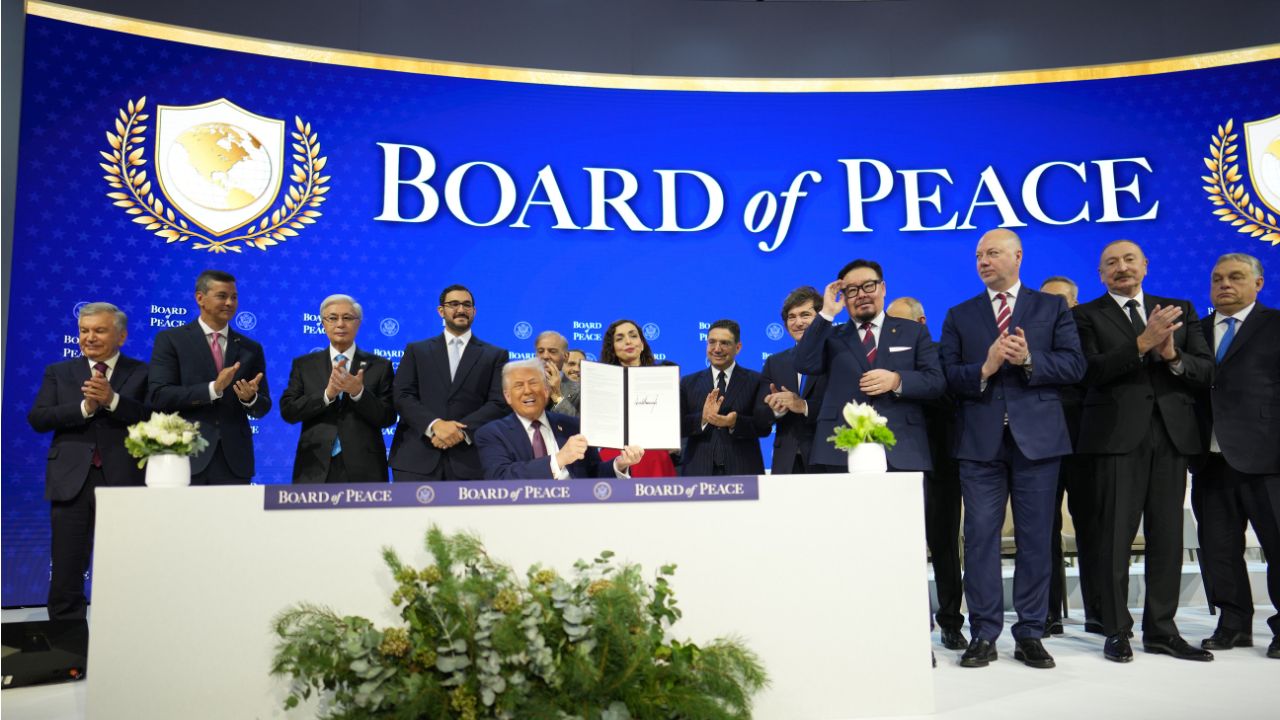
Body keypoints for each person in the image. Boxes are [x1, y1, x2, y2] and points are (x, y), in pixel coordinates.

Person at [939, 229, 1085, 669]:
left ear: (1018, 256)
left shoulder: (1051, 306)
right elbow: (947, 376)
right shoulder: (960, 314)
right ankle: (983, 632)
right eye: (979, 255)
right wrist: (984, 367)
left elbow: (1075, 365)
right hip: (980, 444)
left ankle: (1030, 633)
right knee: (980, 538)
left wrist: (1028, 360)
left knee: (1036, 540)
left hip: (1037, 443)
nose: (984, 261)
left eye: (993, 253)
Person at [1073, 239, 1213, 663]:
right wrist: (1140, 344)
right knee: (1114, 538)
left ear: (1145, 265)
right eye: (1110, 263)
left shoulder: (1179, 309)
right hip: (1115, 440)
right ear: (1100, 274)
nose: (1121, 268)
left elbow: (1205, 371)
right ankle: (1116, 629)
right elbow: (1086, 372)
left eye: (1129, 259)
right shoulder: (1084, 316)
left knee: (1168, 538)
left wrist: (1171, 354)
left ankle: (1162, 630)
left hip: (1171, 438)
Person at [27, 302, 149, 621]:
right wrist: (84, 408)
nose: (89, 337)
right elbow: (38, 418)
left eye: (99, 330)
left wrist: (113, 401)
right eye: (84, 331)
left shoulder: (143, 372)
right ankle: (69, 653)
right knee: (67, 569)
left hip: (124, 480)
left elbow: (153, 416)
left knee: (126, 568)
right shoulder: (59, 372)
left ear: (121, 336)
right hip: (71, 482)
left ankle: (124, 644)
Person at [1190, 253, 1280, 659]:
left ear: (1257, 284)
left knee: (1277, 545)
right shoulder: (1195, 330)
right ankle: (1232, 624)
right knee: (1218, 546)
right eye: (1217, 278)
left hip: (1267, 459)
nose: (1225, 284)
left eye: (1236, 277)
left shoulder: (1275, 325)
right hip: (1210, 460)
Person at [796, 260, 945, 474]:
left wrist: (897, 380)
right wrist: (827, 312)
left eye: (869, 285)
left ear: (882, 288)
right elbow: (803, 363)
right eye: (852, 290)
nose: (862, 294)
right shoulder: (830, 336)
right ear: (844, 297)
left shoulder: (913, 332)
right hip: (841, 448)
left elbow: (936, 381)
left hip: (903, 446)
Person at [886, 295, 966, 652]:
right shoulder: (881, 360)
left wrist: (906, 382)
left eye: (899, 324)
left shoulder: (942, 354)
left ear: (919, 324)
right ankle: (906, 620)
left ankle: (951, 622)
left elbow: (951, 400)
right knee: (899, 548)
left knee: (944, 546)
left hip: (940, 465)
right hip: (896, 466)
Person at [149, 270, 270, 484]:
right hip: (184, 454)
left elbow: (263, 407)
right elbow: (159, 395)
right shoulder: (171, 340)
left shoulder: (250, 348)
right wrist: (213, 389)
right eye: (222, 296)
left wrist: (249, 399)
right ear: (200, 298)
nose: (230, 303)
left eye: (234, 297)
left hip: (234, 461)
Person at [1037, 276, 1103, 636]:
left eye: (1061, 301)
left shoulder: (1087, 331)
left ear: (1074, 303)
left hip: (1085, 441)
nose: (1054, 308)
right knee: (1043, 529)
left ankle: (1098, 610)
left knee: (1092, 526)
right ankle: (1048, 613)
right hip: (1042, 441)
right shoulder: (1028, 332)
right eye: (1047, 301)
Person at [389, 284, 509, 481]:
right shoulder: (417, 351)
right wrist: (435, 425)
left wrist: (460, 431)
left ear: (474, 311)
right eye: (454, 304)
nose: (461, 310)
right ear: (441, 311)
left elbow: (499, 403)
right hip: (416, 459)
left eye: (466, 305)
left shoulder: (495, 355)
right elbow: (402, 395)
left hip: (472, 461)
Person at [279, 294, 396, 483]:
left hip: (365, 468)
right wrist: (327, 395)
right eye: (332, 318)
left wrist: (359, 393)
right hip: (314, 466)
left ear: (358, 323)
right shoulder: (304, 365)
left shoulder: (380, 366)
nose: (340, 324)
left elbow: (388, 416)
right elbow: (289, 411)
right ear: (323, 324)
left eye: (347, 318)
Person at [476, 359, 644, 479]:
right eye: (519, 385)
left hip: (578, 511)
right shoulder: (491, 433)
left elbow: (593, 474)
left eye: (534, 383)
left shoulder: (573, 426)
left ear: (547, 391)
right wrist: (559, 459)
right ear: (507, 396)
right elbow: (501, 477)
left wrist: (620, 464)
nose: (528, 391)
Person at [679, 319, 772, 476]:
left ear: (738, 347)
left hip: (743, 471)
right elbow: (678, 427)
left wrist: (734, 422)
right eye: (712, 342)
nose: (717, 349)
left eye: (724, 343)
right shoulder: (688, 383)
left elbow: (764, 427)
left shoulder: (756, 380)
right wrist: (703, 418)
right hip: (698, 472)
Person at [761, 286, 829, 475]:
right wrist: (775, 410)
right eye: (792, 317)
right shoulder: (775, 362)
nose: (798, 322)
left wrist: (804, 406)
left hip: (828, 458)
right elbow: (759, 416)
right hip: (786, 463)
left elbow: (846, 406)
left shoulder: (838, 357)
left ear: (820, 319)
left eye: (805, 315)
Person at [597, 319, 677, 477]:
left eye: (633, 336)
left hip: (655, 459)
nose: (628, 341)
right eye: (619, 338)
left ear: (641, 344)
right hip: (614, 457)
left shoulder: (662, 379)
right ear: (612, 348)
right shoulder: (601, 383)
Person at [534, 330, 579, 416]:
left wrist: (557, 395)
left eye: (552, 351)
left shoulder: (579, 391)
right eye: (540, 351)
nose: (545, 356)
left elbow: (577, 424)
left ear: (566, 356)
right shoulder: (525, 386)